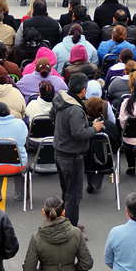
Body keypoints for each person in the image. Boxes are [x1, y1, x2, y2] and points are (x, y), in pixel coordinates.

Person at [50, 72, 104, 227]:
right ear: (83, 90)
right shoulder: (75, 109)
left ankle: (64, 222)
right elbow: (79, 134)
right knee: (74, 195)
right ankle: (71, 228)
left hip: (60, 151)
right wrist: (94, 128)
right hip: (72, 155)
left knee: (66, 192)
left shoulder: (60, 100)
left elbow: (52, 116)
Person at [0, 101, 28, 202]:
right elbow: (25, 138)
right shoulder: (20, 123)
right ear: (9, 111)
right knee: (22, 160)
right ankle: (21, 195)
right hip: (17, 166)